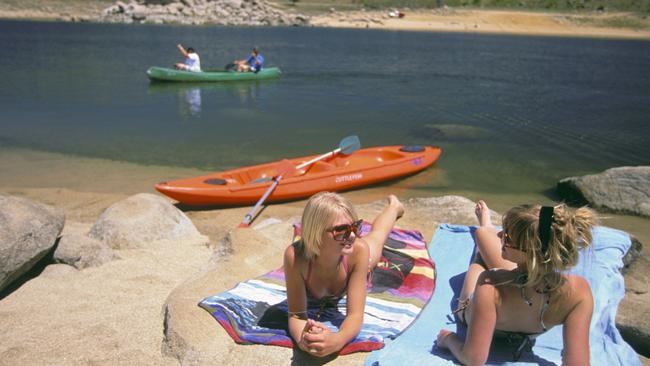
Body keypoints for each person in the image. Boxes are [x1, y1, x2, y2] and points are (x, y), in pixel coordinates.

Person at [436, 200, 597, 365]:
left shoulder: (490, 284)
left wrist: (448, 340)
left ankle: (485, 231)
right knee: (486, 238)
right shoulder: (579, 292)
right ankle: (486, 225)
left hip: (475, 308)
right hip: (531, 277)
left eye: (506, 235)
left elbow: (472, 359)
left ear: (529, 251)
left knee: (480, 248)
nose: (500, 236)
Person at [284, 192, 404, 358]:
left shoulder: (358, 250)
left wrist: (337, 340)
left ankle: (394, 207)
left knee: (377, 236)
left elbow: (355, 315)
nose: (353, 235)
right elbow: (296, 314)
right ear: (316, 232)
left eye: (355, 227)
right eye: (341, 230)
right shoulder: (295, 257)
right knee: (374, 237)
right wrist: (303, 340)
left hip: (358, 260)